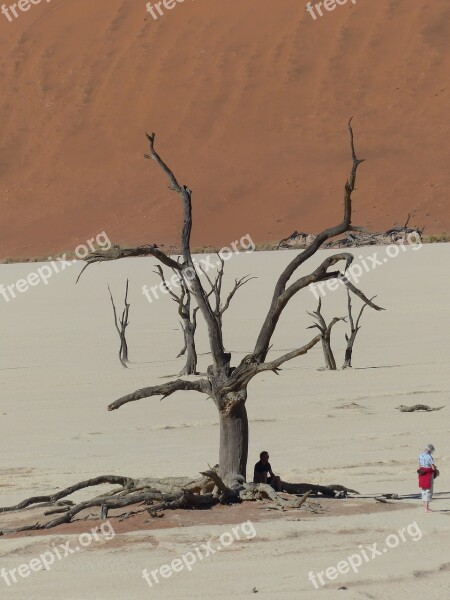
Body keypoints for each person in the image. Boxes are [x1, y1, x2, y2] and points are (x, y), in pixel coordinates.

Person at [418, 444, 438, 513]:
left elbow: (419, 465)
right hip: (428, 474)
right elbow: (432, 468)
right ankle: (426, 509)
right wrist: (436, 469)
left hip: (421, 473)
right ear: (430, 451)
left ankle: (425, 507)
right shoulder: (429, 457)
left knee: (423, 490)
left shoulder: (420, 455)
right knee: (428, 491)